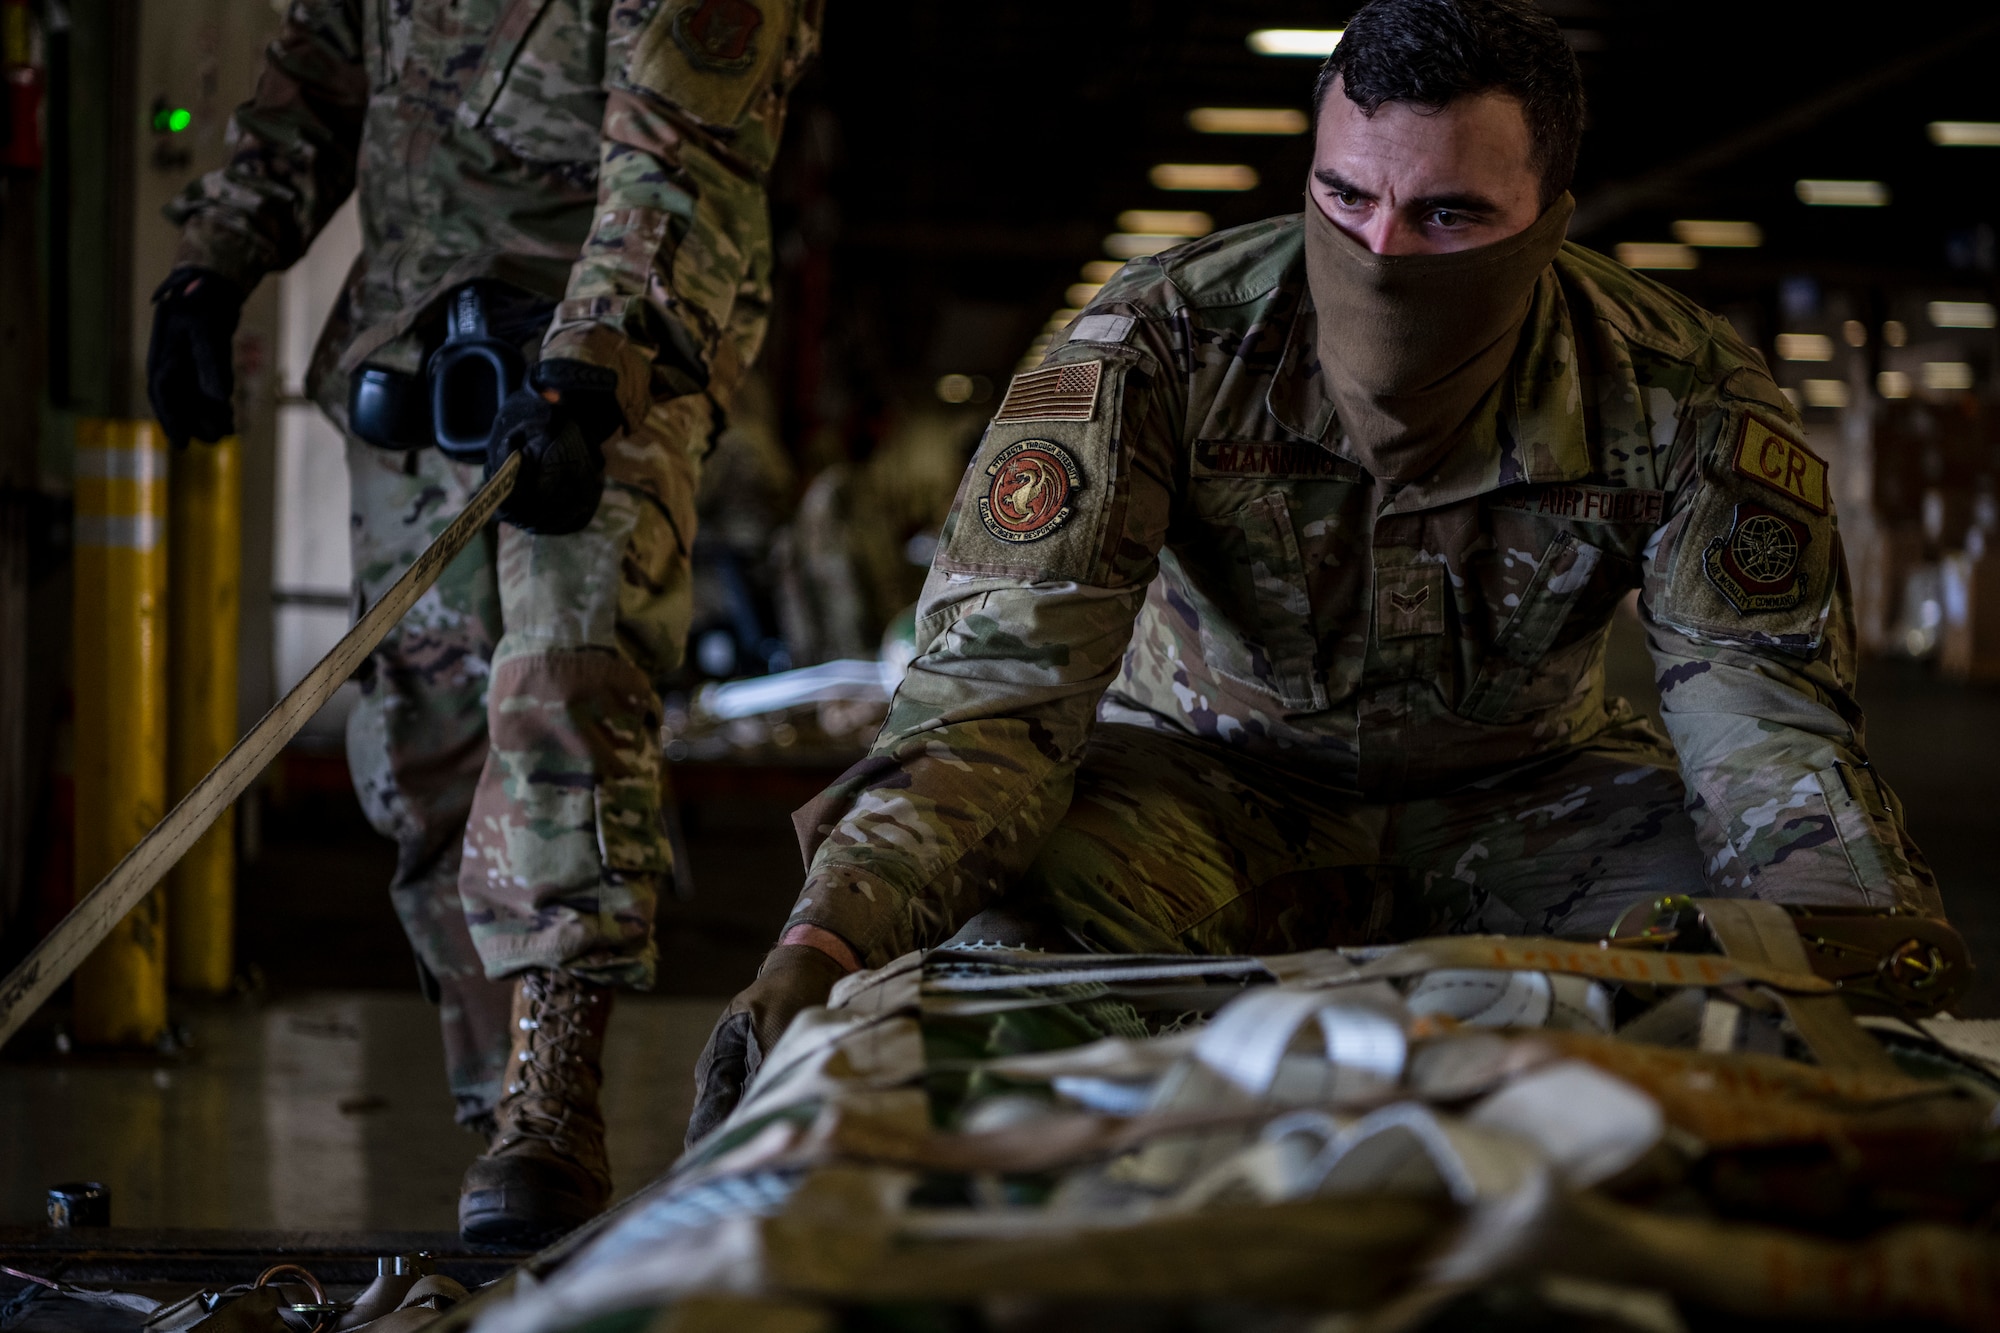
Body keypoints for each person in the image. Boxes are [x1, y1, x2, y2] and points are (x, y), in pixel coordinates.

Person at [687, 0, 1947, 1141]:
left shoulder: (1678, 391)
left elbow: (1762, 726)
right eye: (1346, 199)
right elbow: (999, 694)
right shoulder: (1159, 345)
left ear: (1549, 221)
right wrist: (830, 931)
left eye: (1449, 215)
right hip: (1201, 783)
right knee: (1005, 959)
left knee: (1745, 983)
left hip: (1526, 793)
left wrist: (1847, 941)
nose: (1384, 252)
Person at [147, 0, 821, 1242]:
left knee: (558, 689)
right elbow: (316, 73)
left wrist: (594, 354)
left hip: (611, 343)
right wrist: (217, 263)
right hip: (414, 333)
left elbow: (678, 152)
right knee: (422, 738)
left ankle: (550, 1103)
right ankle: (494, 1098)